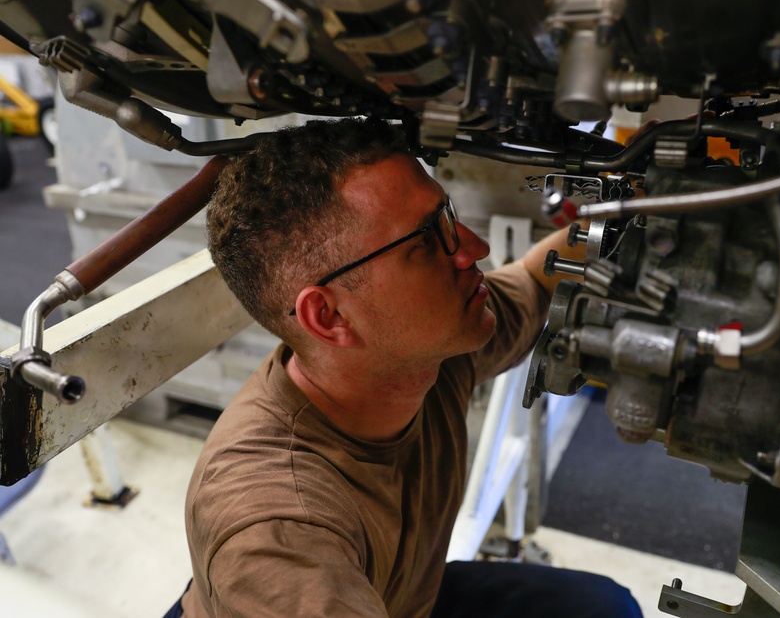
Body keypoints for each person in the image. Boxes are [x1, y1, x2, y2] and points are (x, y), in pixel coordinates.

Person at [166, 118, 643, 617]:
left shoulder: (424, 347)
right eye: (424, 240)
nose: (474, 248)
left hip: (402, 597)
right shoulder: (279, 531)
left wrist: (632, 198)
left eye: (448, 217)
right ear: (329, 316)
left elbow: (534, 277)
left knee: (604, 610)